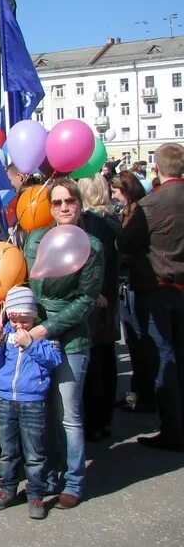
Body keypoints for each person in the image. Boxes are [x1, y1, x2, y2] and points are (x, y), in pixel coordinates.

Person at [24, 179, 103, 508]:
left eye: (70, 201)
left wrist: (47, 328)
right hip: (36, 337)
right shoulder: (37, 238)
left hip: (71, 340)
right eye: (56, 203)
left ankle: (73, 481)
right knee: (41, 411)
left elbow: (86, 300)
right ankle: (49, 475)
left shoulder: (92, 245)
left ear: (80, 204)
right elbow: (26, 279)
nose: (64, 207)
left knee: (67, 414)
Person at [119, 143, 184, 452]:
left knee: (165, 358)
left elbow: (126, 243)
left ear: (157, 168)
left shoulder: (152, 204)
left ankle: (173, 428)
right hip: (176, 287)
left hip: (158, 286)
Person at [0, 287, 63, 520]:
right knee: (8, 450)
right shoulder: (7, 332)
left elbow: (54, 360)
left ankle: (35, 494)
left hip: (32, 400)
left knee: (34, 453)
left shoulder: (43, 335)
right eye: (13, 318)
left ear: (33, 316)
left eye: (24, 319)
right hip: (6, 398)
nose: (19, 325)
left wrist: (31, 343)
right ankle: (7, 489)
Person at [77, 175, 121, 442]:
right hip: (109, 296)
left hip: (97, 297)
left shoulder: (92, 224)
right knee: (106, 359)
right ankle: (104, 420)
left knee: (94, 363)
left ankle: (94, 421)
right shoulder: (113, 221)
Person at [110, 171, 156, 412]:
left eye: (116, 192)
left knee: (139, 339)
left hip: (134, 282)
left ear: (126, 191)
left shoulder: (138, 213)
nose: (113, 197)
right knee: (134, 339)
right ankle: (140, 389)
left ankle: (145, 393)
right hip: (129, 282)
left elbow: (126, 245)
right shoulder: (128, 212)